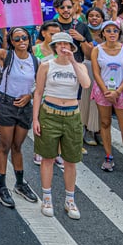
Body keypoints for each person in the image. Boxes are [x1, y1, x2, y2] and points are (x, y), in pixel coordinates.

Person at [32, 32, 91, 220]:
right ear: (54, 47)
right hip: (50, 113)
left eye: (66, 44)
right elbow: (38, 92)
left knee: (71, 160)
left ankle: (70, 199)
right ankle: (47, 198)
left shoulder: (79, 66)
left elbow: (86, 84)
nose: (63, 47)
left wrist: (73, 61)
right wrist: (35, 119)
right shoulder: (46, 65)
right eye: (59, 44)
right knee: (47, 158)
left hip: (72, 115)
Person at [0, 23, 40, 208]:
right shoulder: (6, 56)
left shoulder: (35, 61)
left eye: (24, 38)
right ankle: (1, 186)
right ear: (12, 42)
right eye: (17, 38)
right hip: (8, 104)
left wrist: (29, 96)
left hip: (25, 107)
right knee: (5, 146)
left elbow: (40, 85)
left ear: (29, 39)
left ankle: (20, 183)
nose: (21, 41)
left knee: (18, 146)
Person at [90, 21, 123, 173]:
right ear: (103, 33)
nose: (111, 33)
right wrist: (105, 91)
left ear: (118, 33)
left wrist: (117, 91)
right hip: (102, 91)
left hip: (122, 91)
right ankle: (108, 155)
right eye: (108, 30)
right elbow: (96, 73)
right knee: (105, 123)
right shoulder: (97, 50)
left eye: (115, 31)